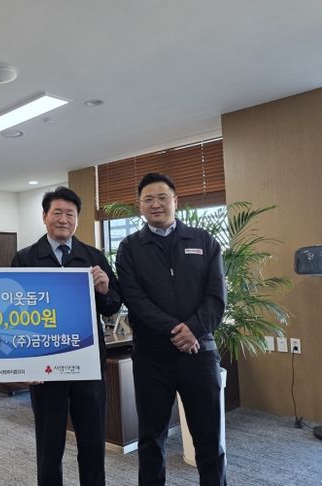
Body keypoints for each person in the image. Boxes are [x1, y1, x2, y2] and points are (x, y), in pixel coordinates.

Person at [115, 172, 227, 486]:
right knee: (151, 439)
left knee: (209, 438)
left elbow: (216, 296)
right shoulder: (129, 247)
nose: (156, 204)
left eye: (162, 197)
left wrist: (193, 329)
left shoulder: (203, 241)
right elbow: (135, 299)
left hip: (199, 352)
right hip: (152, 358)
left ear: (175, 201)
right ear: (139, 205)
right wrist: (177, 331)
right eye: (148, 199)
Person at [11, 186, 121, 486]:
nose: (63, 219)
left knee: (93, 441)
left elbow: (113, 306)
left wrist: (104, 289)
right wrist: (24, 363)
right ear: (44, 216)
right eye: (57, 212)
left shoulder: (93, 256)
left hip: (87, 365)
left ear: (77, 219)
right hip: (45, 368)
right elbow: (14, 315)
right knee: (49, 445)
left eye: (70, 214)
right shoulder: (25, 258)